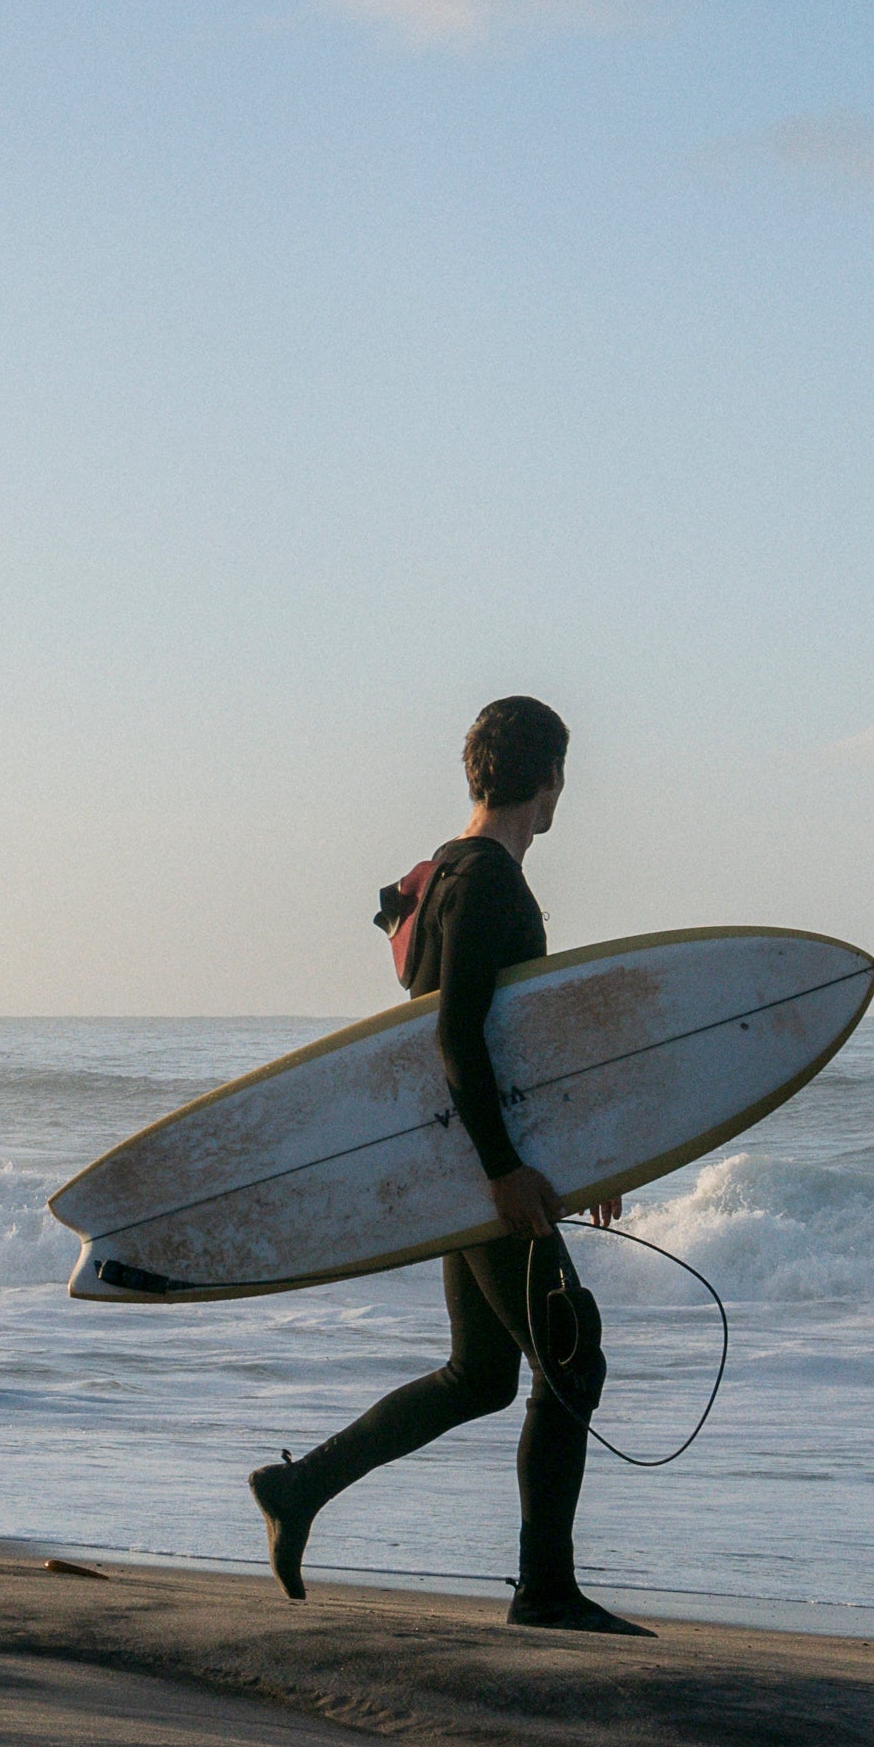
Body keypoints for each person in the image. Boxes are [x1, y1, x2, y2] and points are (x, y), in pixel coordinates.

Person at [244, 695, 647, 1635]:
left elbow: (513, 1047)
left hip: (455, 1158)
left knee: (480, 1373)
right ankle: (543, 1590)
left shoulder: (445, 877)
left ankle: (298, 1489)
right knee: (571, 1355)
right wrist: (509, 1172)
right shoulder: (488, 883)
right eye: (561, 776)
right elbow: (458, 1037)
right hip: (478, 1167)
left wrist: (579, 1156)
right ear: (546, 778)